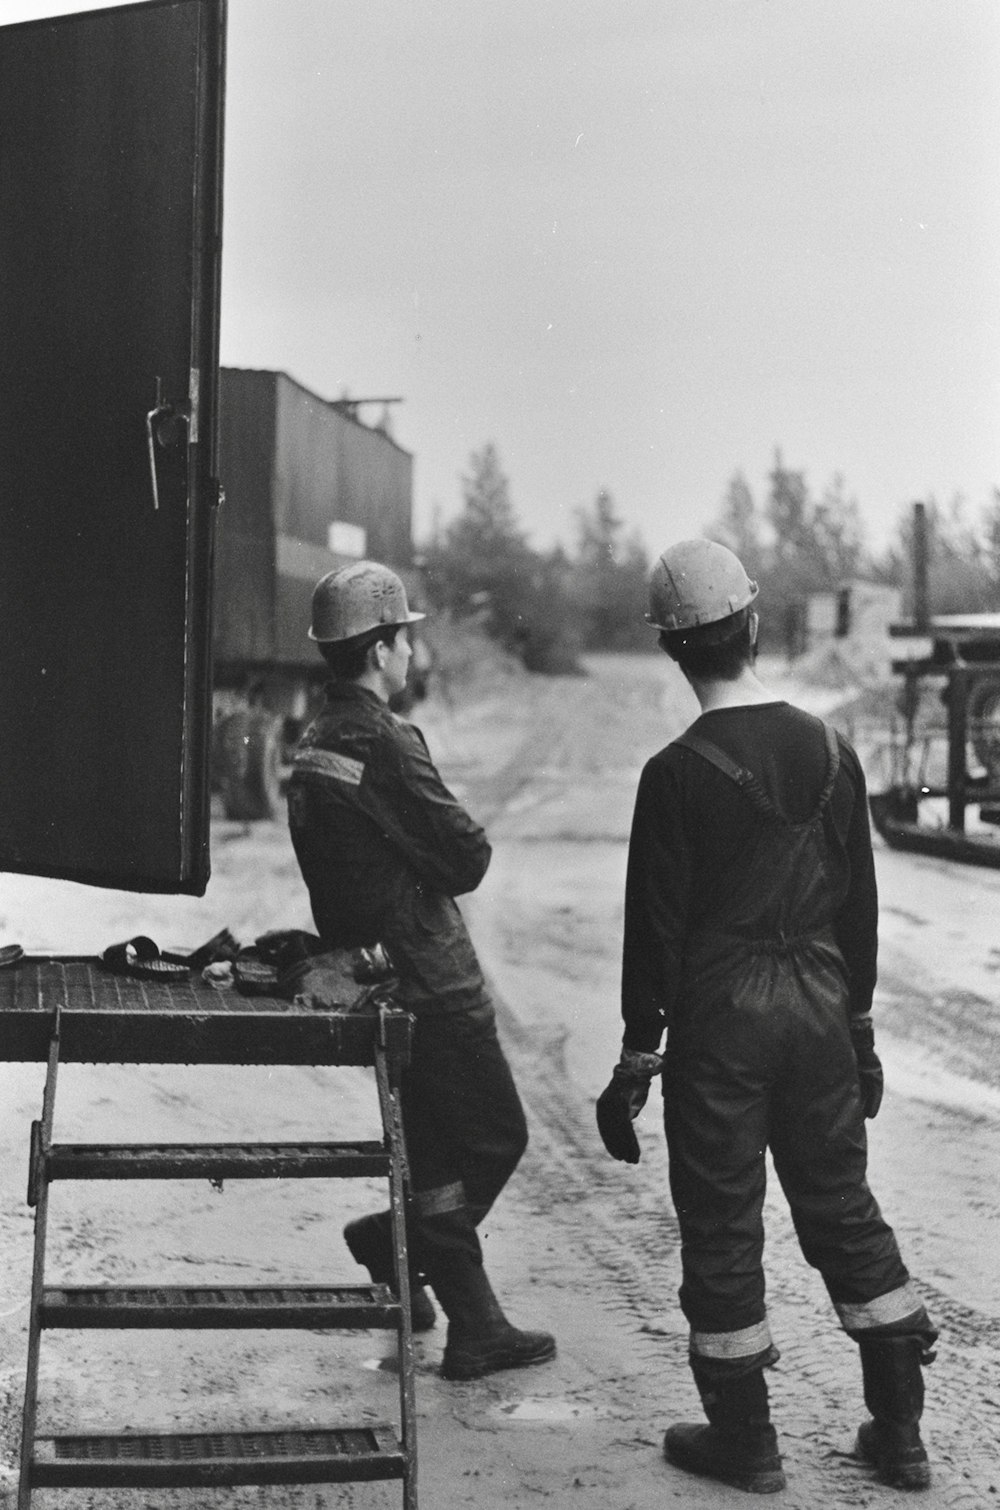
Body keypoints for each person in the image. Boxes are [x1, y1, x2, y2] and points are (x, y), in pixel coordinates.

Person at [595, 538, 937, 1494]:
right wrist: (857, 1030)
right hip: (822, 1011)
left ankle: (745, 1440)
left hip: (723, 1026)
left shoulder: (675, 773)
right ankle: (900, 1434)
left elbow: (653, 931)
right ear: (751, 627)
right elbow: (858, 910)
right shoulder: (834, 750)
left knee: (720, 1225)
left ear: (674, 652)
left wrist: (636, 1056)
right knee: (842, 1207)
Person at [287, 559, 555, 1382]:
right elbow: (468, 855)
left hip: (369, 974)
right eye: (407, 639)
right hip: (430, 978)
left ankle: (470, 1321)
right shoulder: (386, 739)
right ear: (381, 649)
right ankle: (393, 1245)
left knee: (434, 1156)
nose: (413, 655)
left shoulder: (312, 738)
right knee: (497, 1136)